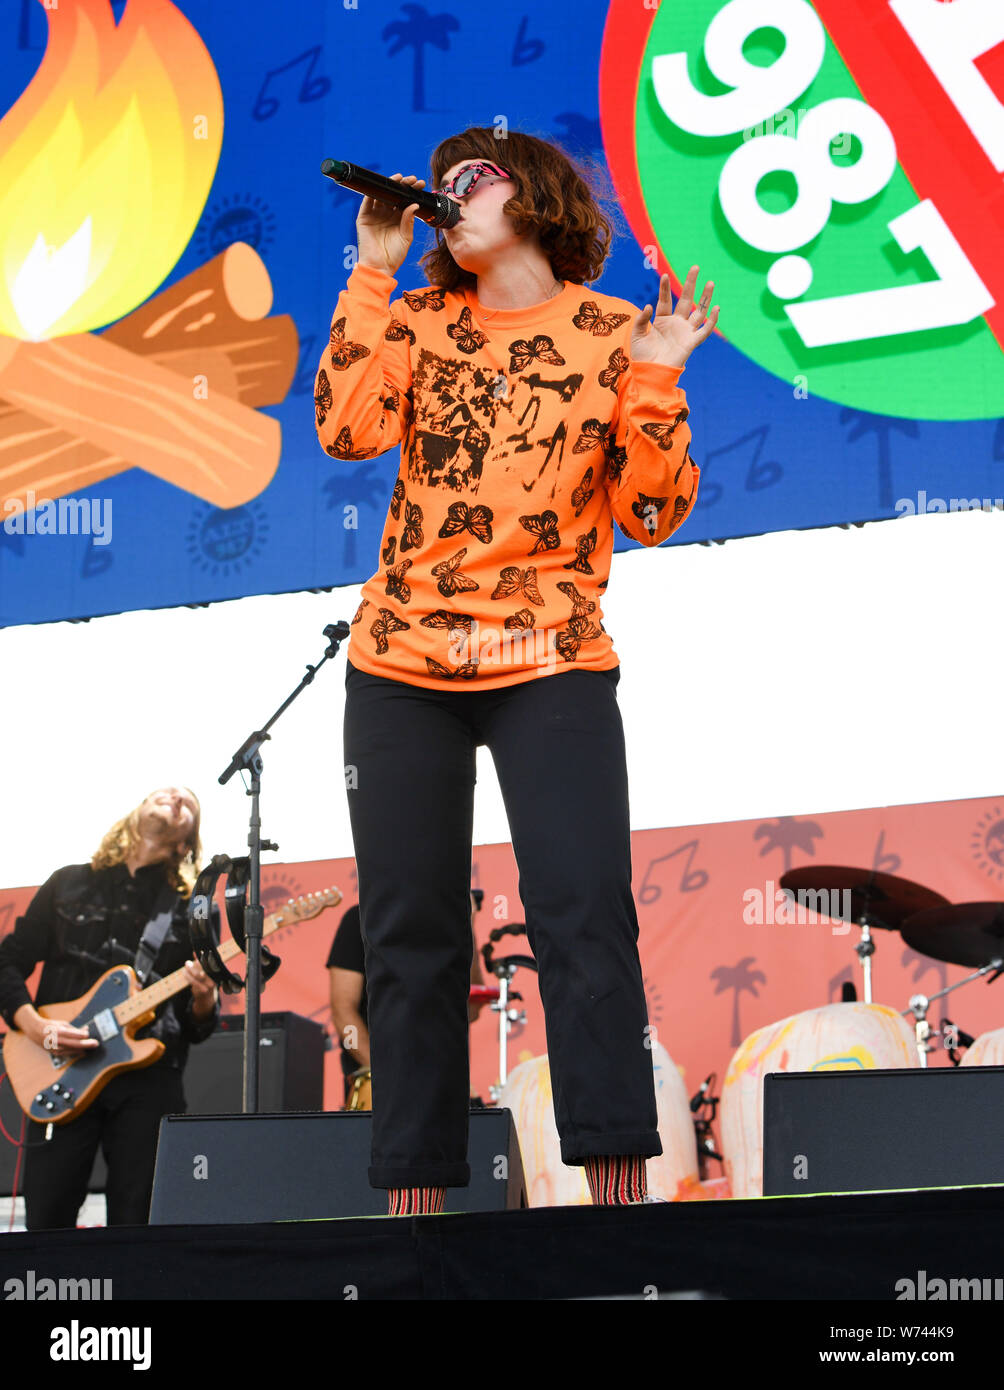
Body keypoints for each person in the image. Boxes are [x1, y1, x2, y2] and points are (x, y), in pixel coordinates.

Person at [314, 127, 718, 1216]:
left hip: (550, 656)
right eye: (438, 187)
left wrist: (659, 377)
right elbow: (344, 431)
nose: (449, 197)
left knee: (581, 909)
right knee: (410, 931)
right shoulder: (416, 318)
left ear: (532, 195)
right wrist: (371, 264)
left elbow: (652, 509)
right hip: (402, 660)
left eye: (471, 181)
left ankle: (616, 1204)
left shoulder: (613, 332)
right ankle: (415, 1214)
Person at [0, 787, 220, 1229]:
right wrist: (38, 1027)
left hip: (148, 1074)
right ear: (136, 813)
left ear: (186, 841)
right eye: (165, 793)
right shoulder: (68, 883)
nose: (177, 798)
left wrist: (204, 996)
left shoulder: (191, 909)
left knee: (139, 1216)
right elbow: (8, 962)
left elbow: (198, 1027)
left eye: (189, 805)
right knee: (48, 1214)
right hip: (59, 1068)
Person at [326, 888, 490, 1108]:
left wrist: (465, 926)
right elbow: (343, 1012)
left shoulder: (446, 929)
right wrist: (380, 1073)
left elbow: (470, 1010)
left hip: (440, 1080)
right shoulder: (360, 919)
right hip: (379, 1086)